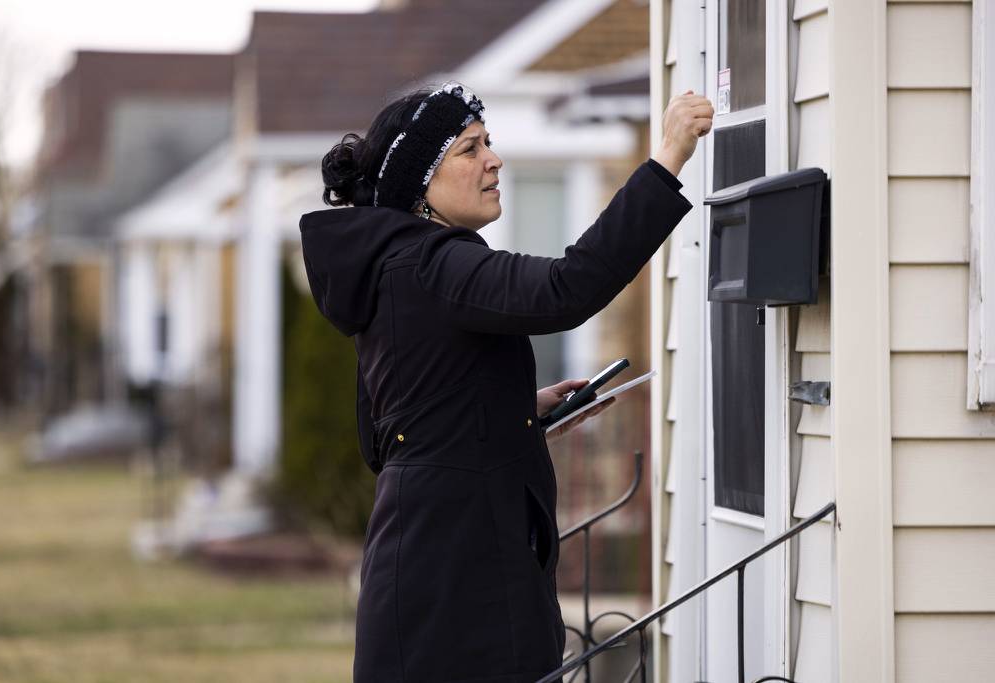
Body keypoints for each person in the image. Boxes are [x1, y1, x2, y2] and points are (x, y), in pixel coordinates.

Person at [300, 81, 712, 683]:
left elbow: (392, 431)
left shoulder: (397, 270)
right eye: (469, 150)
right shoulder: (435, 264)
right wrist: (667, 158)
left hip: (432, 565)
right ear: (421, 186)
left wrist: (518, 410)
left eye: (488, 143)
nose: (493, 159)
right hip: (458, 579)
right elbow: (567, 289)